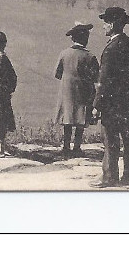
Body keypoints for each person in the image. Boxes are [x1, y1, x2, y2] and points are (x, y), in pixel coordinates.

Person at [91, 6, 129, 188]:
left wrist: (97, 104)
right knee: (128, 138)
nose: (103, 26)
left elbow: (103, 80)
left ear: (112, 24)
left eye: (105, 22)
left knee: (110, 139)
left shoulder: (110, 49)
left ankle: (109, 177)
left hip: (110, 102)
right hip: (125, 101)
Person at [53, 21, 100, 157]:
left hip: (66, 91)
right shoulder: (90, 56)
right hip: (84, 91)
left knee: (67, 118)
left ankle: (66, 146)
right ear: (85, 39)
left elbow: (57, 74)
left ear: (73, 39)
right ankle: (77, 147)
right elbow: (96, 77)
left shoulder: (64, 53)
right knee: (81, 117)